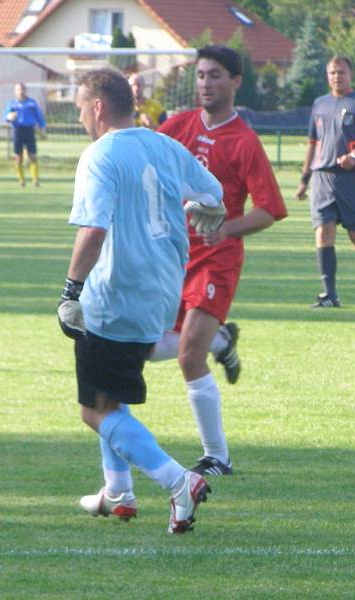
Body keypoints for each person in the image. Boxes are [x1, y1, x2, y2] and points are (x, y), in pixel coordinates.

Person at [57, 67, 226, 534]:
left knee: (94, 408)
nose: (80, 120)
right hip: (163, 289)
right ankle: (118, 492)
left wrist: (70, 291)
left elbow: (94, 231)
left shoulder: (100, 155)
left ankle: (178, 481)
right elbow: (215, 195)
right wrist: (200, 211)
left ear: (97, 108)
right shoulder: (167, 145)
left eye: (78, 110)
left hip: (116, 291)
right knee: (111, 392)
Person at [150, 45, 287, 477]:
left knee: (189, 355)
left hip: (217, 261)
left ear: (235, 82)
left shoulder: (244, 141)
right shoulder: (178, 127)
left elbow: (270, 208)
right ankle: (222, 342)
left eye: (214, 76)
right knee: (146, 345)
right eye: (201, 75)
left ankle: (218, 456)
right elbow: (147, 159)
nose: (205, 84)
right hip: (173, 257)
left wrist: (225, 228)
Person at [295, 56, 355, 308]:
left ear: (350, 74)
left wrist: (354, 156)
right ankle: (329, 294)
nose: (337, 77)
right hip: (323, 178)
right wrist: (304, 179)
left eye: (341, 72)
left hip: (351, 179)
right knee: (323, 232)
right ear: (327, 75)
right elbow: (313, 144)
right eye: (333, 72)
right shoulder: (319, 104)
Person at [4, 83, 46, 187]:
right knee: (18, 157)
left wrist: (42, 127)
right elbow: (6, 116)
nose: (21, 91)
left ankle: (35, 180)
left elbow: (39, 116)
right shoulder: (12, 104)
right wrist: (9, 117)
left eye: (22, 89)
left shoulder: (31, 103)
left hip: (29, 130)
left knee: (33, 156)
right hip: (17, 130)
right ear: (15, 91)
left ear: (25, 90)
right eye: (18, 89)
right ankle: (21, 180)